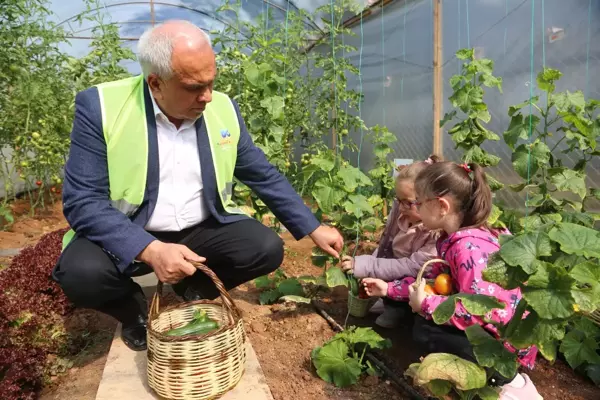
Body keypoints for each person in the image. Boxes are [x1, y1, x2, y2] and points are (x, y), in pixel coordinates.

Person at [51, 20, 343, 352]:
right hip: (130, 229)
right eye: (193, 87)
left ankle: (195, 291)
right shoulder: (101, 107)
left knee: (264, 247)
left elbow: (260, 172)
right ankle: (133, 310)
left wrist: (313, 226)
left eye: (211, 83)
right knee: (80, 274)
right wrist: (150, 249)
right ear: (156, 83)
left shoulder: (221, 108)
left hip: (198, 231)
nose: (207, 96)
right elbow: (82, 201)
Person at [362, 161, 542, 399]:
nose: (415, 208)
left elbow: (480, 311)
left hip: (505, 344)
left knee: (427, 330)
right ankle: (478, 372)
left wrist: (425, 304)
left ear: (441, 206)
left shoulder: (468, 249)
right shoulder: (461, 237)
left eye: (419, 202)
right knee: (426, 323)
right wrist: (388, 289)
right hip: (495, 332)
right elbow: (432, 280)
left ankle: (511, 383)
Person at [340, 156, 441, 328]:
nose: (401, 208)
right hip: (397, 273)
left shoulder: (436, 234)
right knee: (374, 267)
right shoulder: (402, 216)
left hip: (422, 281)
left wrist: (368, 265)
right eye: (399, 201)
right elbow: (385, 246)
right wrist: (368, 265)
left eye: (409, 203)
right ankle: (389, 301)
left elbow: (412, 267)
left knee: (401, 279)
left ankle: (399, 310)